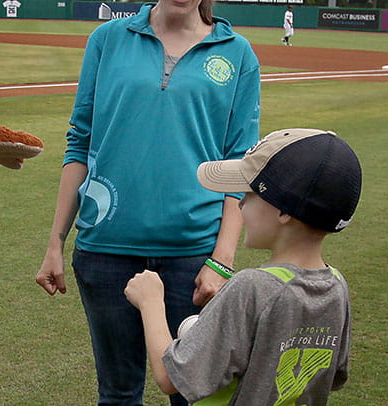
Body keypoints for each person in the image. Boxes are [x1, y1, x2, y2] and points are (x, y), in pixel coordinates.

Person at [36, 0, 261, 406]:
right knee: (118, 394)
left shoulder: (237, 56)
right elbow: (80, 145)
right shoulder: (107, 41)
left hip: (193, 259)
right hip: (107, 251)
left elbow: (240, 169)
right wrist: (56, 240)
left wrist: (222, 260)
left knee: (192, 394)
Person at [124, 128, 361, 405]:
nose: (241, 203)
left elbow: (169, 378)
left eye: (250, 193)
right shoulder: (336, 285)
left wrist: (151, 301)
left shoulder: (251, 287)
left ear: (284, 211)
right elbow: (332, 376)